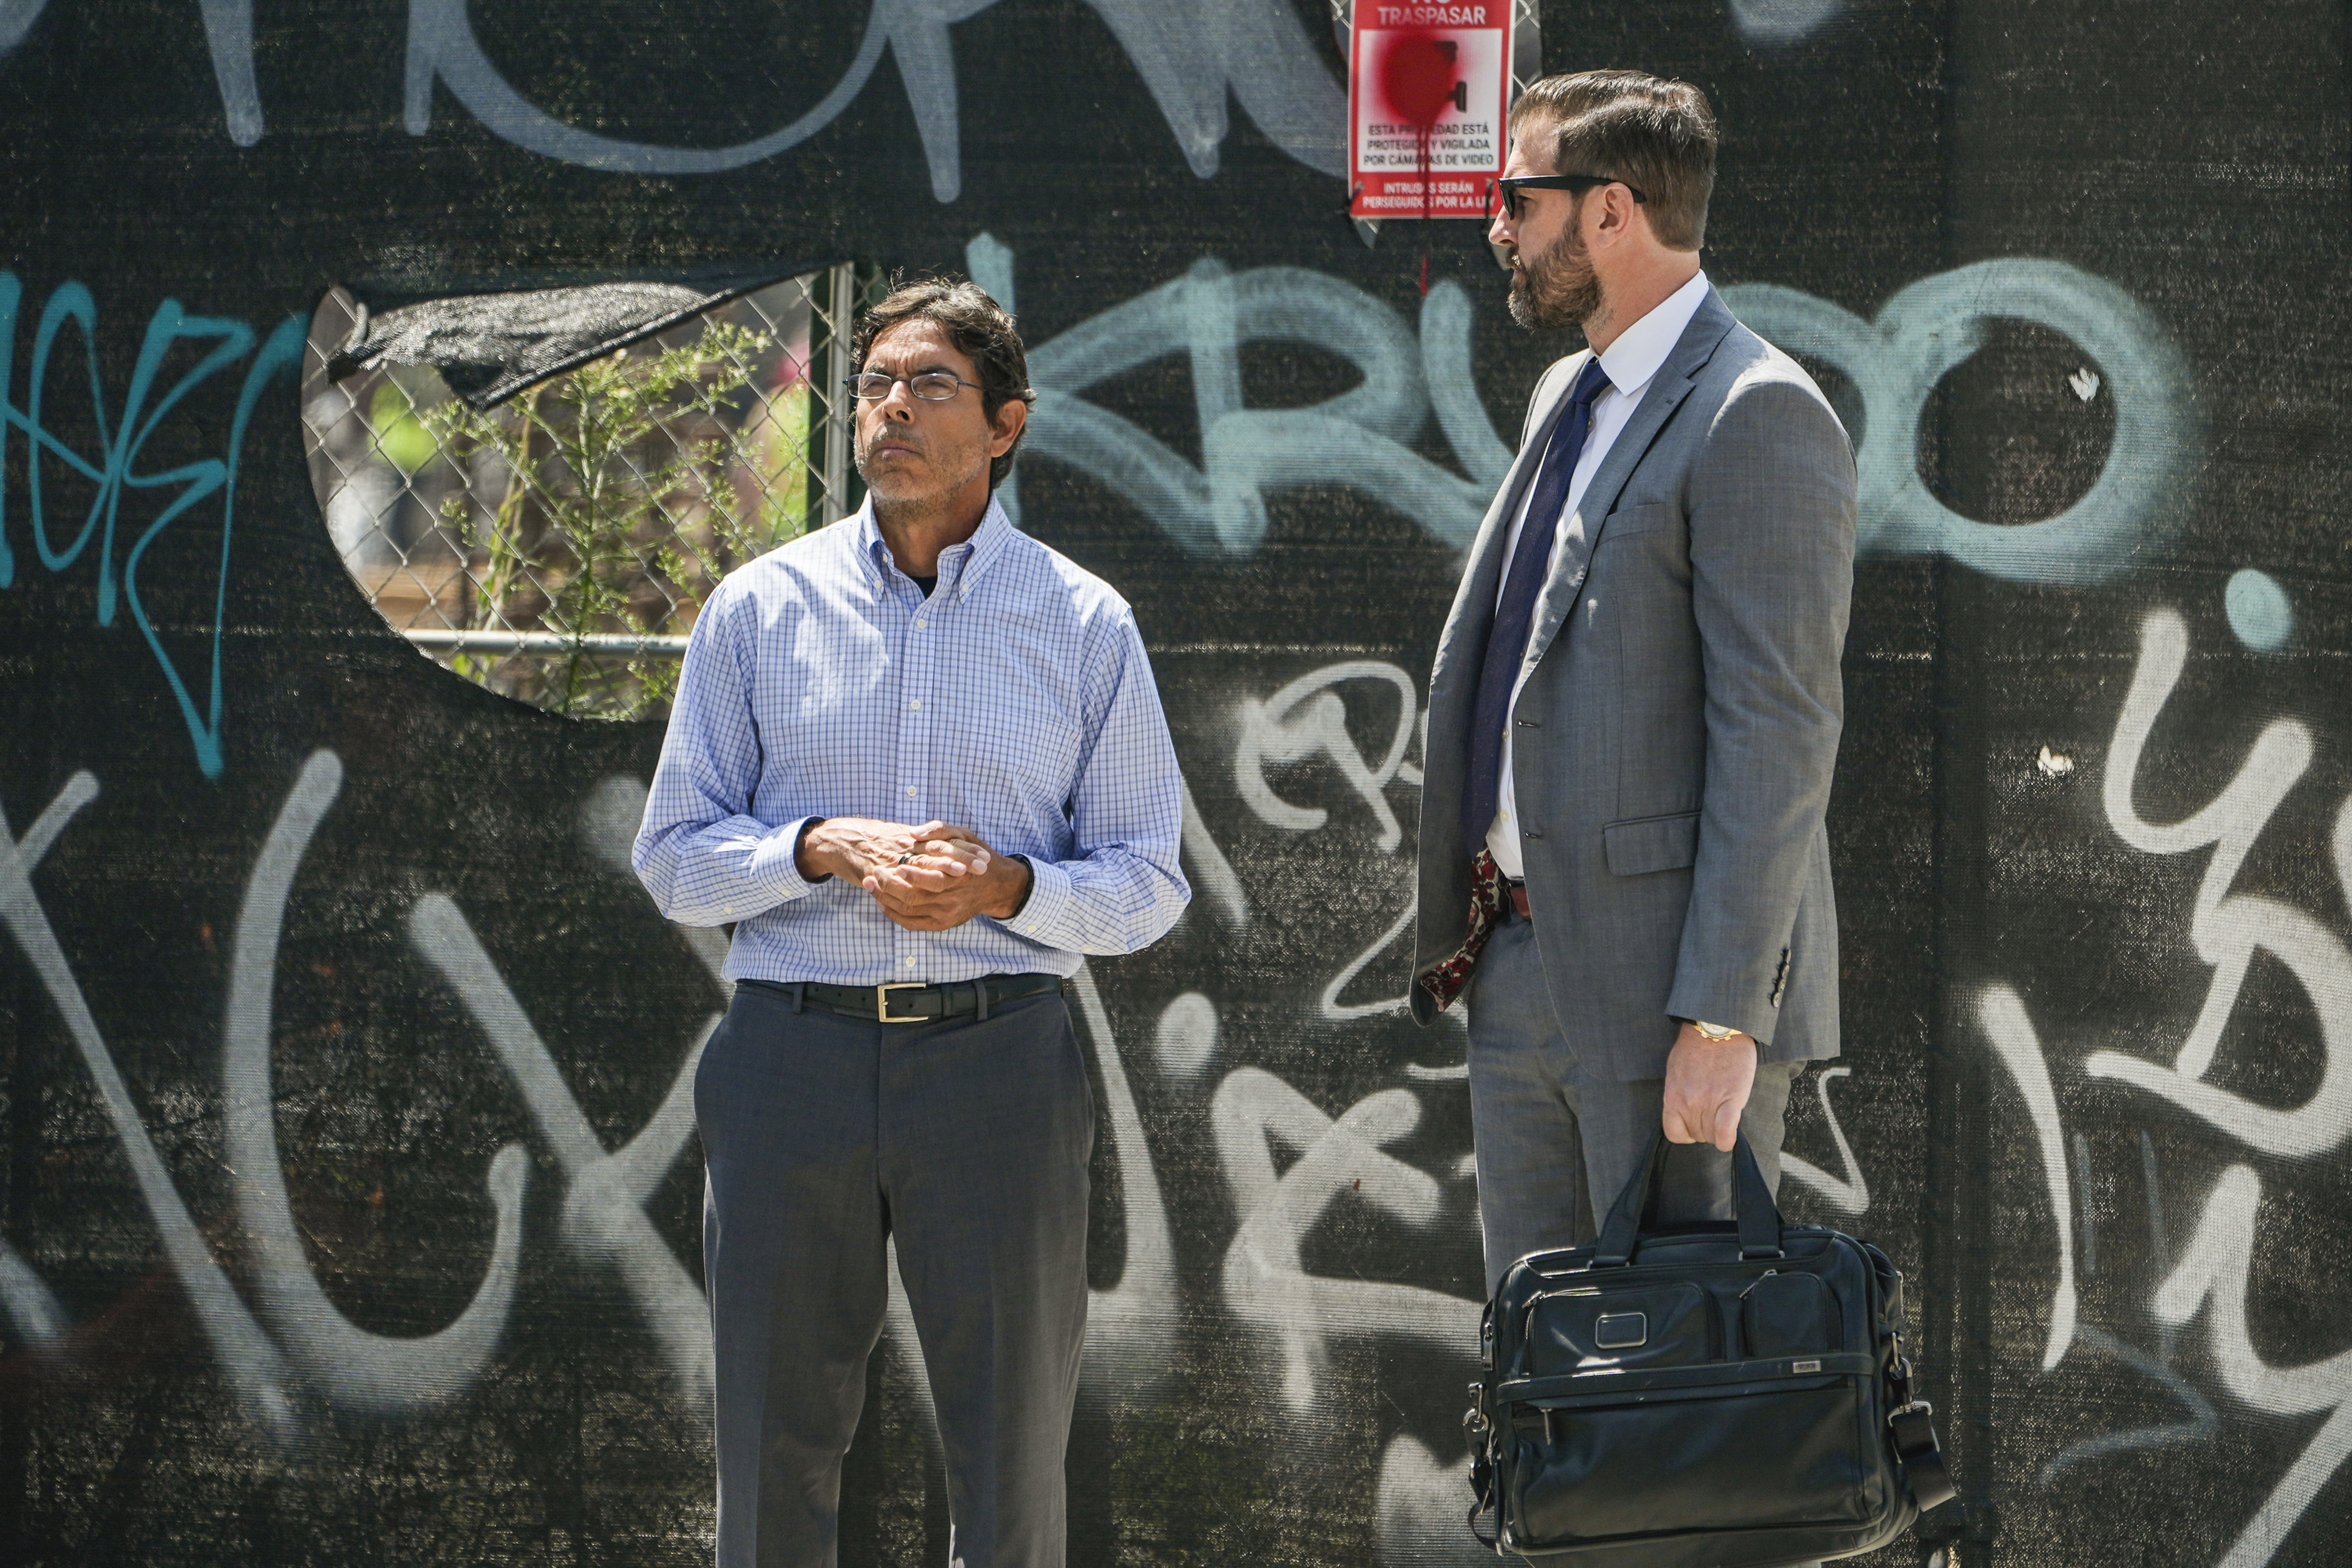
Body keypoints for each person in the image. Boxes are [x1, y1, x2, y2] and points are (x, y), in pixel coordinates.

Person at [633, 276, 1190, 1568]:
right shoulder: (759, 609)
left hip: (999, 1061)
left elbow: (1149, 883)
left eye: (929, 385)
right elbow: (672, 859)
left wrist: (1007, 889)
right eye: (874, 384)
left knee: (1009, 1462)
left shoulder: (1085, 624)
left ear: (1006, 425)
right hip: (791, 1060)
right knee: (773, 1450)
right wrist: (813, 847)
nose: (889, 409)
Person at [1411, 70, 1856, 1313]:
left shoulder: (1757, 411)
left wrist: (1720, 1019)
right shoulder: (1572, 394)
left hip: (1665, 1004)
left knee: (1679, 1408)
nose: (1498, 226)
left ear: (1610, 210)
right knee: (1545, 1381)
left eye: (1519, 197)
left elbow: (1780, 735)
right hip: (1520, 970)